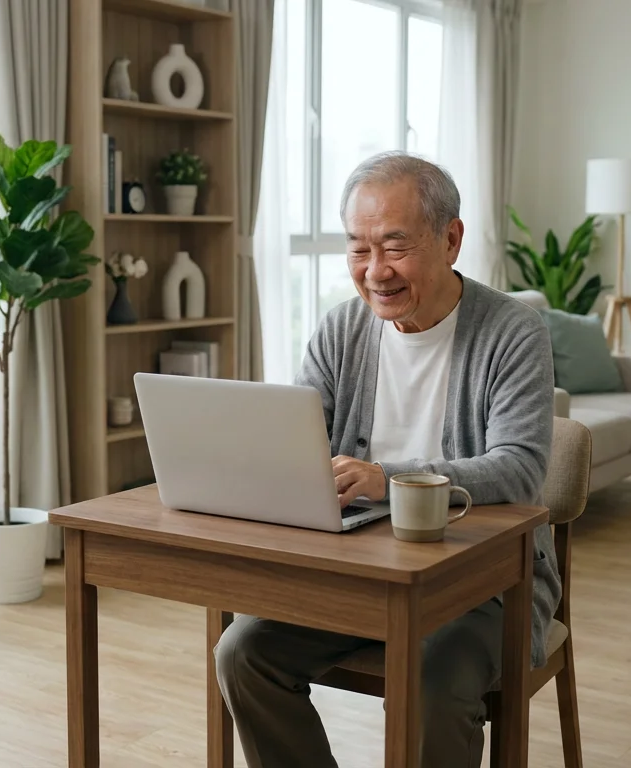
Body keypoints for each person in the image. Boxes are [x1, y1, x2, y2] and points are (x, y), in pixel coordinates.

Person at [213, 151, 561, 767]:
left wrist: (384, 478)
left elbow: (520, 468)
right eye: (358, 249)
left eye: (395, 247)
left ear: (451, 240)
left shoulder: (514, 330)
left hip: (485, 583)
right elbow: (299, 446)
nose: (375, 272)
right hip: (359, 575)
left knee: (433, 679)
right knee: (242, 654)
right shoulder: (341, 330)